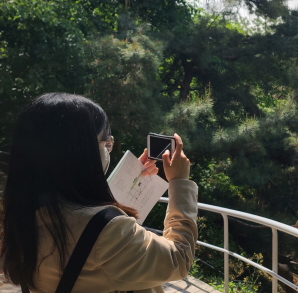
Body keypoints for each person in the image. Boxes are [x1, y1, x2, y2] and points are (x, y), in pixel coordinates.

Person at [1, 92, 198, 293]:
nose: (109, 149)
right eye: (108, 143)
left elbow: (88, 221)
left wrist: (129, 179)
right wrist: (179, 182)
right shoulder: (108, 231)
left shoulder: (22, 214)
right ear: (83, 150)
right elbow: (178, 259)